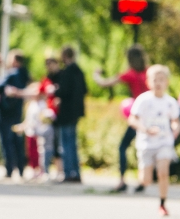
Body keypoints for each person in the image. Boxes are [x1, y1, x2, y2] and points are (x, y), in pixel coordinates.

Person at [93, 44, 149, 193]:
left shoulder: (130, 74)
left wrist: (96, 74)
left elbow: (104, 83)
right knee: (143, 148)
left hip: (138, 117)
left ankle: (122, 181)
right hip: (150, 117)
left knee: (123, 146)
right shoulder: (149, 73)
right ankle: (143, 180)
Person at [128, 65, 179, 216]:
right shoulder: (143, 100)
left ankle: (162, 204)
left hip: (164, 142)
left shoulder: (170, 102)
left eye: (161, 80)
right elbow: (132, 119)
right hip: (146, 143)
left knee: (163, 173)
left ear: (167, 82)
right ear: (148, 82)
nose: (158, 83)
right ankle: (144, 178)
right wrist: (145, 130)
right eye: (155, 80)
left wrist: (175, 129)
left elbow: (175, 120)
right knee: (146, 180)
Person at [0, 50, 30, 178]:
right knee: (17, 142)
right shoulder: (24, 74)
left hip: (6, 113)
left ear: (15, 60)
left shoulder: (12, 75)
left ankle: (9, 169)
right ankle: (21, 169)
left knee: (7, 142)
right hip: (17, 112)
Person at [54, 46, 87, 183]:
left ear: (64, 56)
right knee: (73, 143)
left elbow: (64, 91)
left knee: (66, 143)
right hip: (76, 112)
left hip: (67, 112)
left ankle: (68, 173)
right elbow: (85, 89)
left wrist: (55, 91)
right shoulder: (79, 71)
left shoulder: (67, 72)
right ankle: (76, 172)